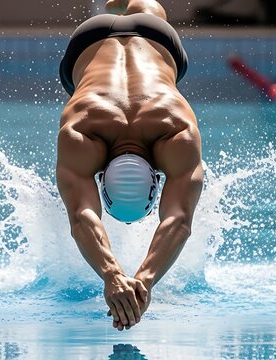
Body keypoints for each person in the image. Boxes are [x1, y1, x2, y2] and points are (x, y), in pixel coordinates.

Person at [57, 0, 203, 331]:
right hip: (88, 41)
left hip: (156, 36)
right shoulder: (81, 128)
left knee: (149, 9)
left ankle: (131, 3)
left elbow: (177, 219)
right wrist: (134, 279)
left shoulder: (175, 129)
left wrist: (128, 278)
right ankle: (120, 4)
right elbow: (84, 216)